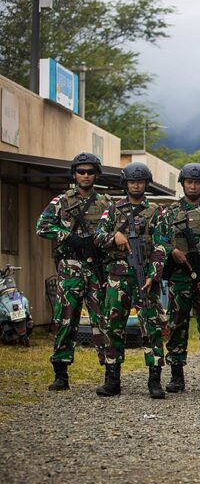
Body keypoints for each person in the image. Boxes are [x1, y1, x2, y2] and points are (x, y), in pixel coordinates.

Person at [36, 153, 112, 391]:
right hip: (70, 267)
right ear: (74, 174)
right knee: (66, 320)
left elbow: (116, 231)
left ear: (96, 174)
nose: (86, 176)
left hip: (96, 268)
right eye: (81, 172)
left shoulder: (107, 203)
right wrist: (68, 237)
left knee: (103, 320)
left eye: (90, 172)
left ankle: (111, 374)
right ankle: (61, 373)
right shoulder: (61, 201)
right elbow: (42, 226)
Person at [94, 162, 170, 399]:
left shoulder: (156, 211)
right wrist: (113, 235)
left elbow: (162, 244)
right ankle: (112, 380)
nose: (136, 185)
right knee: (113, 326)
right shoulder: (113, 210)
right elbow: (97, 238)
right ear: (125, 184)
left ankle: (154, 380)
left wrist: (153, 273)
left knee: (152, 328)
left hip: (145, 276)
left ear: (146, 184)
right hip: (118, 275)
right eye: (132, 181)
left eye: (140, 181)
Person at [160, 163, 200, 393]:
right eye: (189, 182)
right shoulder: (170, 213)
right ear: (182, 183)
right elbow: (159, 239)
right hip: (179, 278)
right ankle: (176, 375)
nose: (192, 185)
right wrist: (171, 251)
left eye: (197, 182)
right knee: (177, 325)